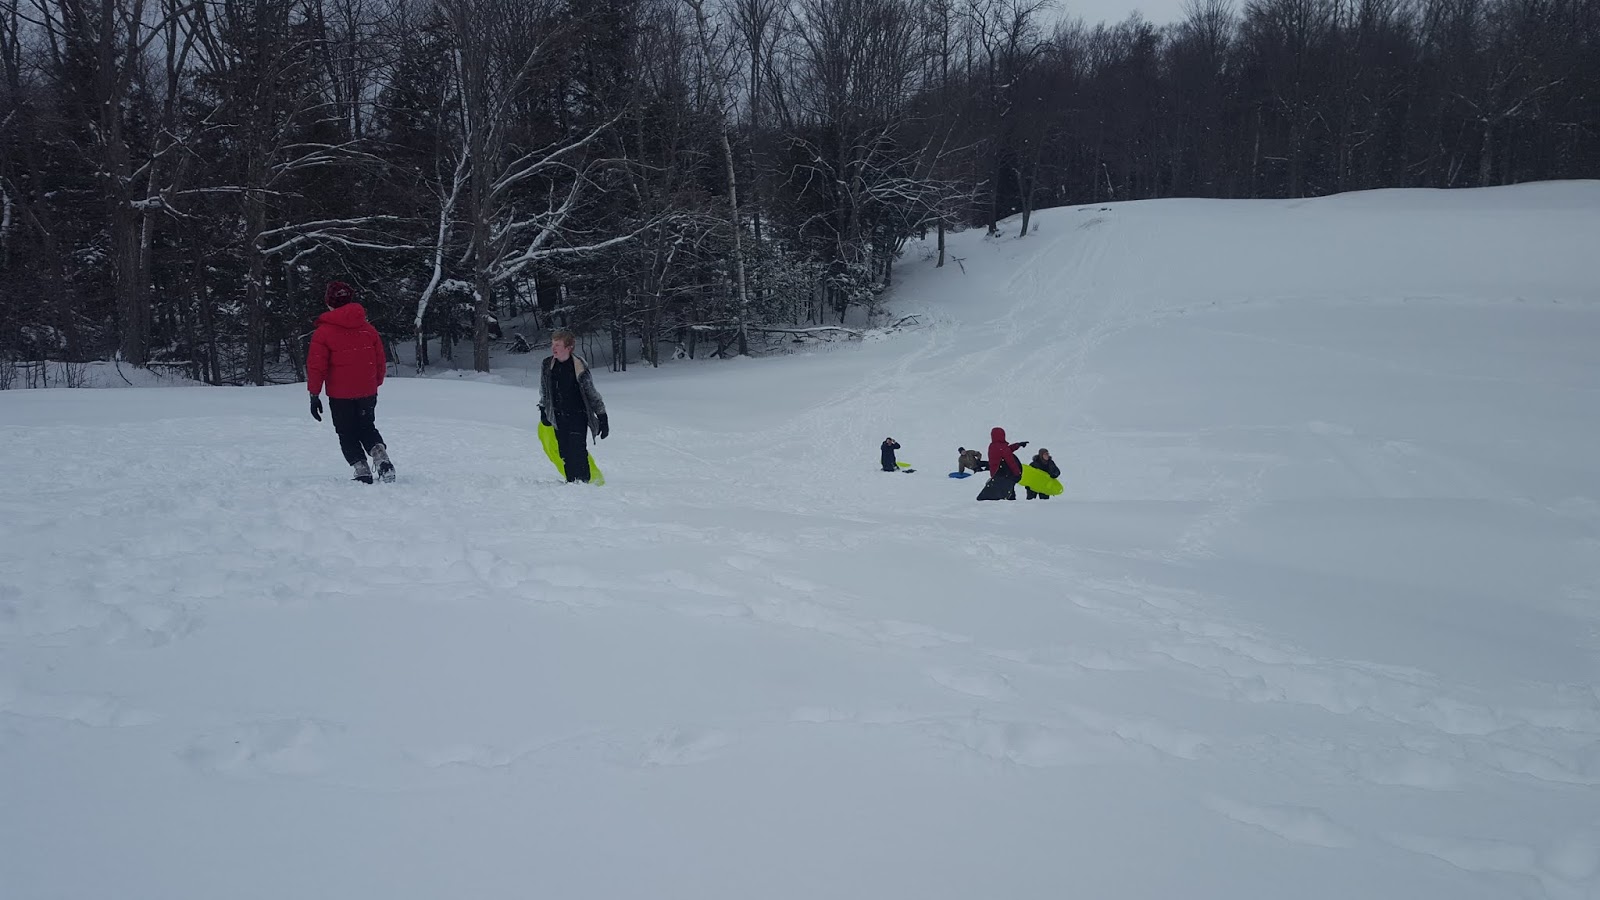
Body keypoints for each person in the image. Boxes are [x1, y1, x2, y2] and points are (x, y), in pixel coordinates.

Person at [307, 280, 394, 484]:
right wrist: (374, 383)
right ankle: (382, 458)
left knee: (346, 431)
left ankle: (361, 469)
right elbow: (379, 359)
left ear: (329, 303)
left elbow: (317, 366)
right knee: (367, 426)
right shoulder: (368, 329)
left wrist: (314, 394)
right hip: (367, 391)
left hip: (340, 395)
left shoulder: (323, 332)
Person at [539, 329, 609, 482]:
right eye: (552, 344)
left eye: (558, 345)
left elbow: (591, 393)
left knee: (578, 450)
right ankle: (571, 483)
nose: (553, 348)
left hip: (578, 415)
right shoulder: (547, 364)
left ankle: (584, 483)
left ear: (569, 347)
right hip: (558, 416)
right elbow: (544, 390)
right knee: (564, 452)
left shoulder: (579, 366)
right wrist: (543, 410)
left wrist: (602, 416)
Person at [978, 427, 1027, 501]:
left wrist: (1017, 445)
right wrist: (1017, 473)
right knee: (1009, 495)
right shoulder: (1002, 447)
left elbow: (1007, 450)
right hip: (1004, 474)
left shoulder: (992, 446)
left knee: (999, 493)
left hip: (996, 473)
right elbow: (1011, 461)